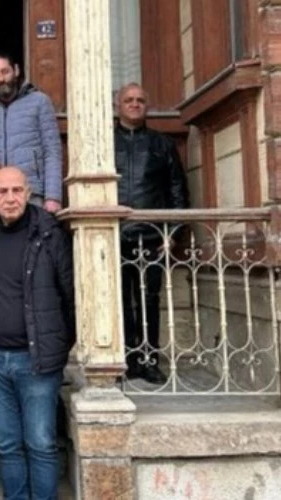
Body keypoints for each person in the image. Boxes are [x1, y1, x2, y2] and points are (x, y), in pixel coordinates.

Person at [0, 166, 75, 500]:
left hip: (37, 361)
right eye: (2, 192)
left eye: (17, 190)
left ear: (29, 193)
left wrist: (58, 344)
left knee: (41, 443)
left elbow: (71, 295)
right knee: (6, 444)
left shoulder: (50, 234)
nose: (10, 198)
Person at [115, 82, 189, 385]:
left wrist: (173, 233)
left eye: (140, 100)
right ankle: (124, 360)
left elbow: (177, 190)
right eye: (129, 100)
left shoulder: (162, 144)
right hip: (114, 235)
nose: (134, 104)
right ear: (118, 105)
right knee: (119, 301)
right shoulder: (104, 143)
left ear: (146, 106)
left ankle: (149, 361)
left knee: (149, 300)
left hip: (152, 237)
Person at [0, 54, 63, 213]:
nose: (1, 79)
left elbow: (52, 150)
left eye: (5, 71)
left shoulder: (39, 102)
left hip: (33, 193)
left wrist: (53, 197)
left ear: (16, 70)